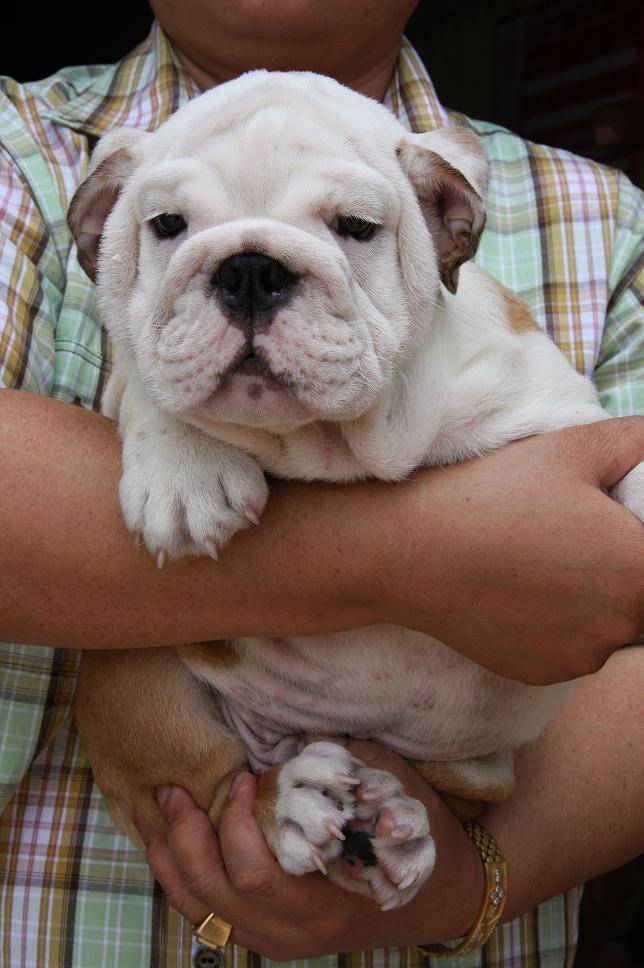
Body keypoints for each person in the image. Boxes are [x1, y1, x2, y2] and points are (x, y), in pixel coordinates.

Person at [0, 1, 642, 966]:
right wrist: (415, 557)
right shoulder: (17, 152)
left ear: (449, 225)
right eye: (171, 225)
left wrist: (480, 880)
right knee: (124, 678)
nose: (252, 284)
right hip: (145, 831)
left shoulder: (607, 221)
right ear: (106, 226)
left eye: (349, 225)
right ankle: (264, 798)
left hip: (462, 799)